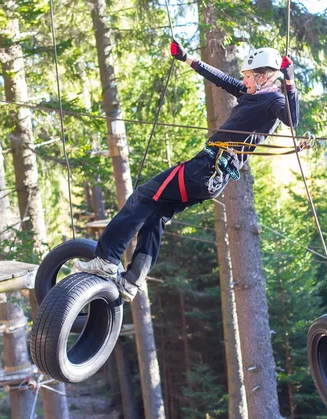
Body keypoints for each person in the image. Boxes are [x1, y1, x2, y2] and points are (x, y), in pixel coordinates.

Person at [75, 40, 299, 302]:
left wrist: (290, 79)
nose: (244, 81)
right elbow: (222, 79)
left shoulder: (273, 99)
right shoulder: (254, 95)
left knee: (143, 197)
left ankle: (106, 259)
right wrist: (186, 58)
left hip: (206, 168)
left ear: (263, 77)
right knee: (156, 213)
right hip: (211, 177)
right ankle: (131, 281)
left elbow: (292, 119)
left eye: (248, 76)